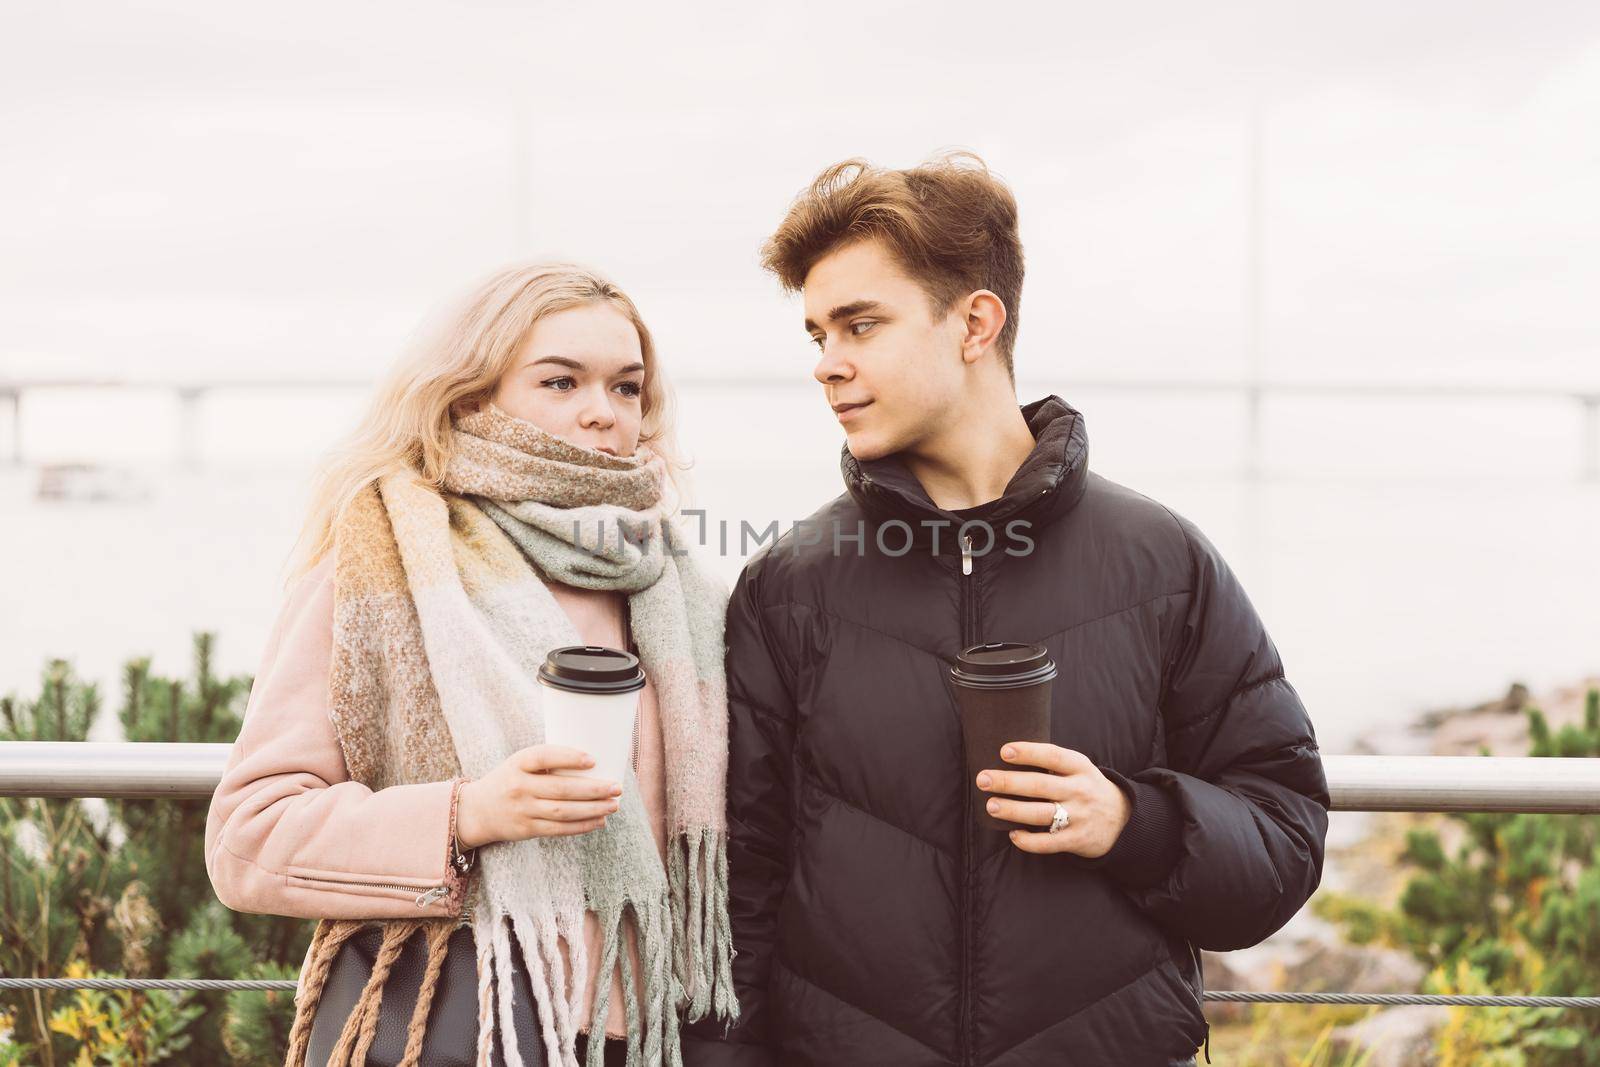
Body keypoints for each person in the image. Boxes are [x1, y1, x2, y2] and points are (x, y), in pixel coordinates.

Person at [680, 155, 1330, 1067]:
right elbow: (734, 896)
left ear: (975, 323)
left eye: (861, 324)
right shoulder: (788, 586)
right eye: (818, 335)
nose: (828, 365)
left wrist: (1131, 822)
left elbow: (1284, 839)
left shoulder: (1165, 563)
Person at [204, 263, 738, 1067]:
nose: (602, 413)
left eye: (627, 388)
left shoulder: (672, 583)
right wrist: (467, 814)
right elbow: (249, 836)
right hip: (460, 1021)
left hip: (656, 1033)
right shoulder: (380, 565)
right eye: (561, 382)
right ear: (468, 396)